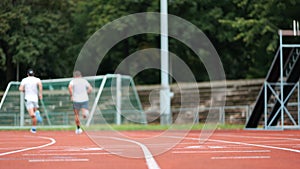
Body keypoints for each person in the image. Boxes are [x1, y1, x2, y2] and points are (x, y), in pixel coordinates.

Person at [19, 69, 43, 133]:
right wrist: (40, 94)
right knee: (35, 112)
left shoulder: (24, 80)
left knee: (32, 115)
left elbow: (20, 88)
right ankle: (34, 128)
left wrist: (25, 90)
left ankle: (36, 115)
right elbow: (40, 85)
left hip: (28, 98)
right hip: (35, 98)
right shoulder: (37, 79)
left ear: (27, 74)